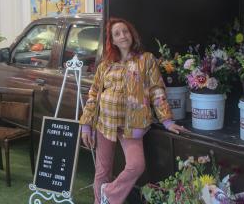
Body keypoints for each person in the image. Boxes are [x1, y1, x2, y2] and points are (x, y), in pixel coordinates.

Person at [79, 18, 187, 204]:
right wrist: (86, 125)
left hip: (132, 124)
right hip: (104, 122)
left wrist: (167, 121)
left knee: (136, 165)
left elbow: (157, 90)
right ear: (112, 40)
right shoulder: (105, 65)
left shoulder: (146, 60)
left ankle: (108, 194)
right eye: (117, 34)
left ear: (132, 34)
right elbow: (93, 94)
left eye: (125, 31)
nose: (123, 36)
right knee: (102, 171)